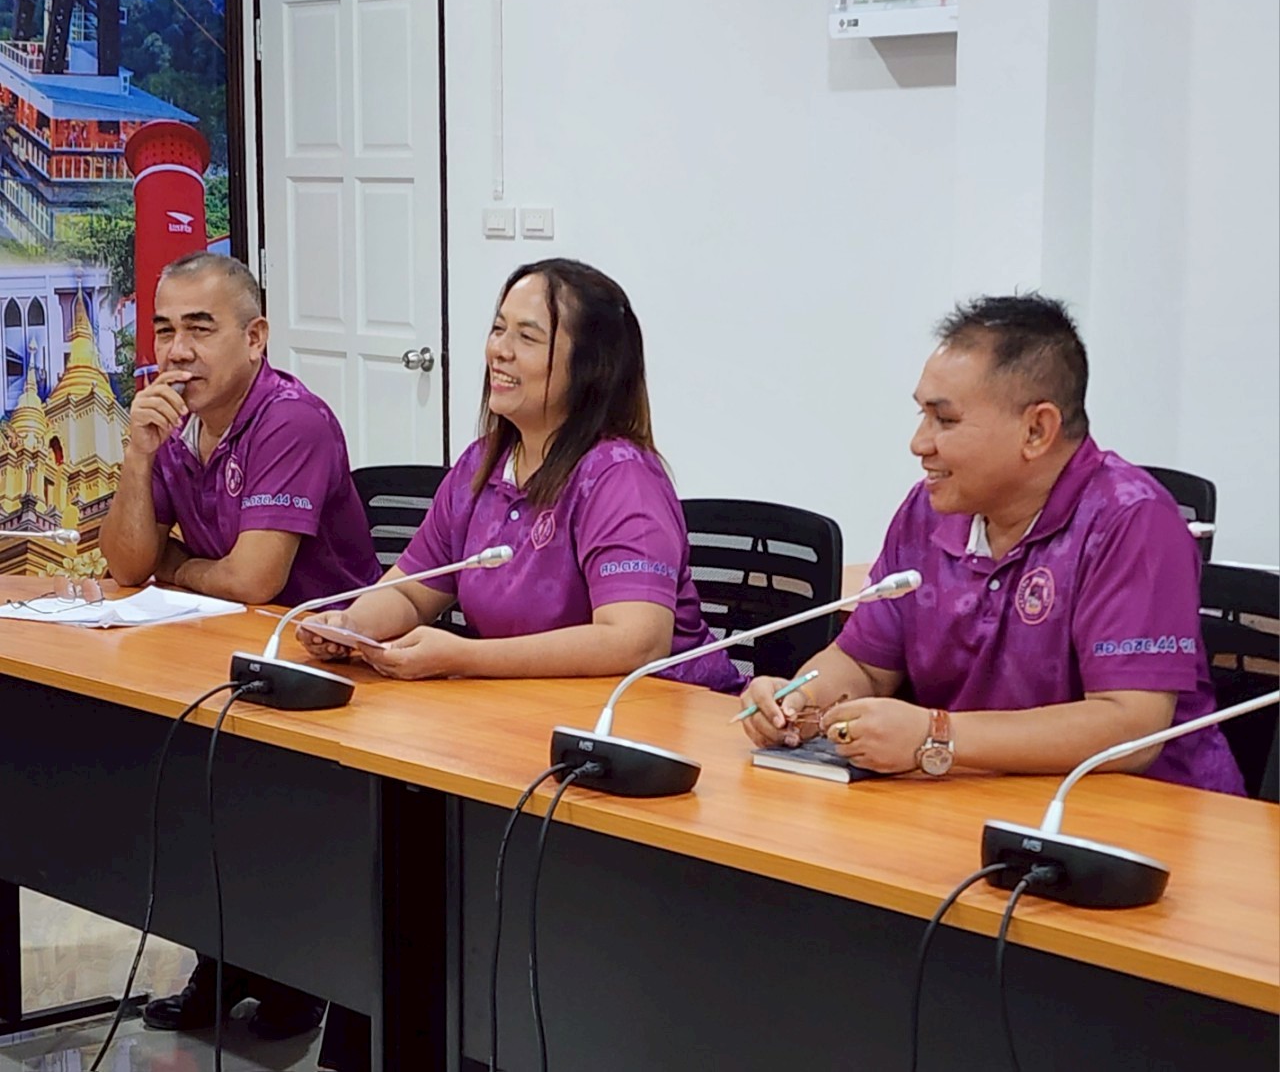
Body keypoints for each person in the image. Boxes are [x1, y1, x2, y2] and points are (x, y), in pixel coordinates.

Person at [300, 257, 743, 1072]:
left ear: (589, 365)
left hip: (642, 753)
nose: (497, 350)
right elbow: (417, 585)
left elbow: (634, 639)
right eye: (498, 328)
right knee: (409, 874)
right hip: (520, 740)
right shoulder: (483, 465)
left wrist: (465, 659)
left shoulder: (619, 475)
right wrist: (348, 626)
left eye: (527, 336)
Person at [738, 294, 1243, 795]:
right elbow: (865, 665)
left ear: (1036, 430)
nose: (919, 443)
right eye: (922, 416)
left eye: (945, 420)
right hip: (979, 798)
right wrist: (800, 700)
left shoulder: (1132, 519)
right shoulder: (928, 511)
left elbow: (1131, 726)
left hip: (1141, 816)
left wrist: (938, 736)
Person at [100, 251, 382, 1040]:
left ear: (255, 338)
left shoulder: (291, 419)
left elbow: (255, 579)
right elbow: (125, 563)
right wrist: (137, 456)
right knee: (187, 793)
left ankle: (296, 975)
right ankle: (226, 963)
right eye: (164, 330)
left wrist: (174, 564)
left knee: (257, 810)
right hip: (222, 657)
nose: (177, 351)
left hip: (323, 673)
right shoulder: (173, 424)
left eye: (200, 328)